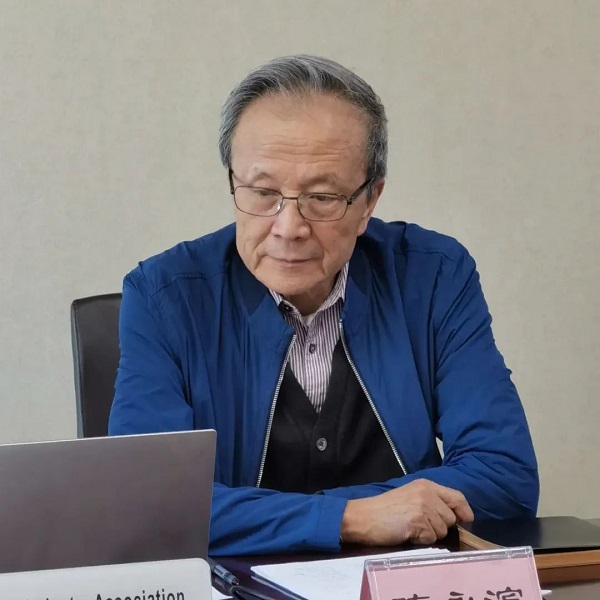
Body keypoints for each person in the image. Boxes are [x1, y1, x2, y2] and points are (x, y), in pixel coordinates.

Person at [109, 55, 539, 557]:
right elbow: (151, 504)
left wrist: (253, 516)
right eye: (263, 192)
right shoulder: (164, 296)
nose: (288, 227)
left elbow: (504, 477)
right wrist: (349, 518)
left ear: (369, 200)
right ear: (232, 182)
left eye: (323, 197)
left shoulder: (433, 276)